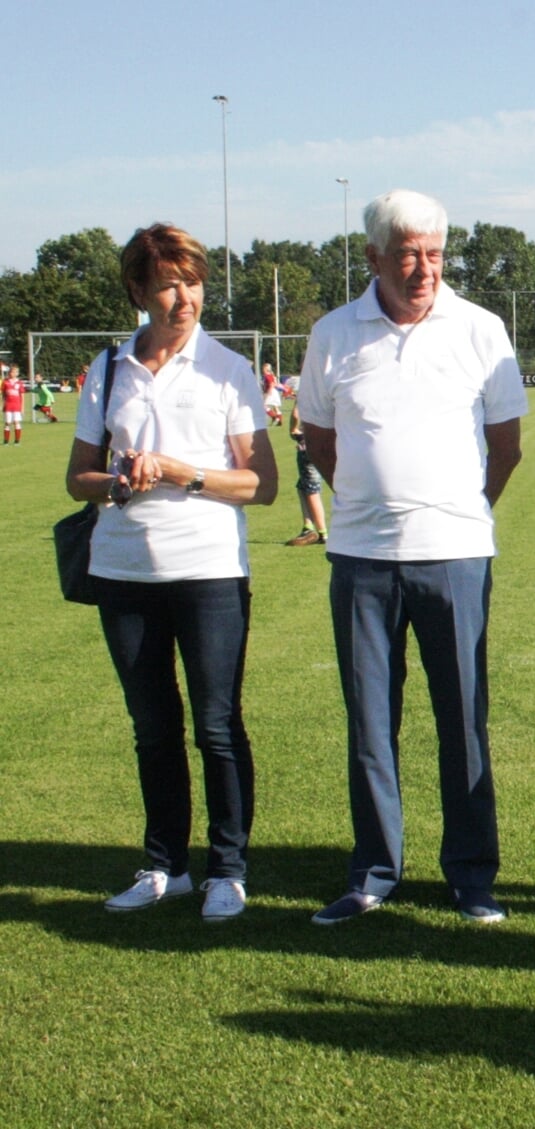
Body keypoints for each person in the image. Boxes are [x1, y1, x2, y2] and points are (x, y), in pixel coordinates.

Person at [298, 189, 528, 926]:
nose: (423, 268)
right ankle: (372, 869)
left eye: (432, 254)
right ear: (373, 258)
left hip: (456, 554)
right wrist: (372, 501)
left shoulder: (481, 330)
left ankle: (470, 874)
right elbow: (321, 439)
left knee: (462, 718)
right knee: (370, 719)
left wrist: (456, 507)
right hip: (361, 558)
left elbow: (507, 445)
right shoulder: (333, 333)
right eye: (407, 254)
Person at [65, 223, 277, 921]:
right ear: (137, 289)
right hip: (122, 569)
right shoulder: (107, 366)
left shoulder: (228, 369)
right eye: (167, 283)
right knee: (151, 725)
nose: (183, 296)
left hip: (209, 568)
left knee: (216, 725)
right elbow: (77, 479)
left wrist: (183, 473)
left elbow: (261, 483)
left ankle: (228, 868)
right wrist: (117, 480)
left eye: (191, 281)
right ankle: (164, 865)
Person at [282, 372, 329, 546]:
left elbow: (295, 413)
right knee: (302, 485)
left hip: (307, 442)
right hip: (325, 440)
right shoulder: (327, 383)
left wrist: (294, 430)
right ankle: (307, 526)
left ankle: (322, 532)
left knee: (311, 488)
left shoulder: (307, 387)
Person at [2, 364, 23, 444]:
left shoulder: (19, 382)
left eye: (15, 372)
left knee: (16, 422)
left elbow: (22, 395)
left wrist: (22, 407)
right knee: (7, 422)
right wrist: (2, 404)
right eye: (12, 372)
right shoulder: (5, 382)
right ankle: (6, 440)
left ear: (17, 373)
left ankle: (17, 441)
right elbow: (3, 394)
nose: (13, 374)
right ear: (9, 373)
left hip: (17, 406)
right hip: (8, 405)